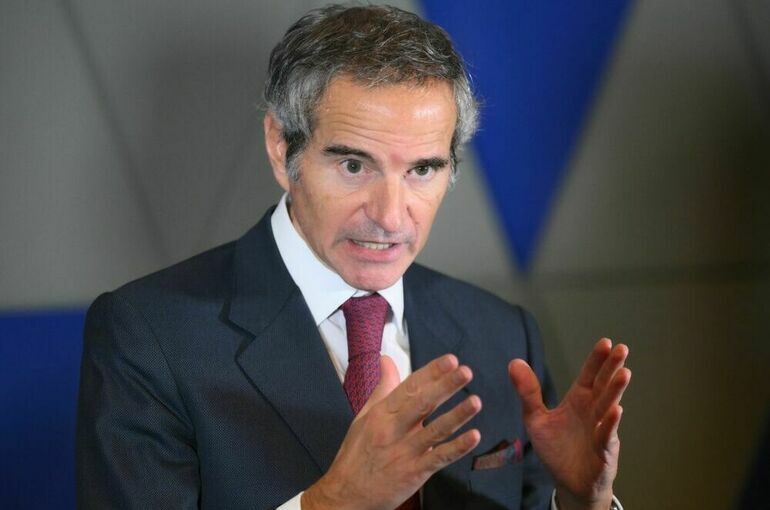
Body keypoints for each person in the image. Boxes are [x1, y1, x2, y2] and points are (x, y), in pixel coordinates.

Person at [76, 4, 630, 510]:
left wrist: (582, 502)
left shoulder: (503, 335)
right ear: (282, 149)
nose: (390, 216)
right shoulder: (149, 338)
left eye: (422, 170)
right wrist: (335, 502)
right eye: (353, 166)